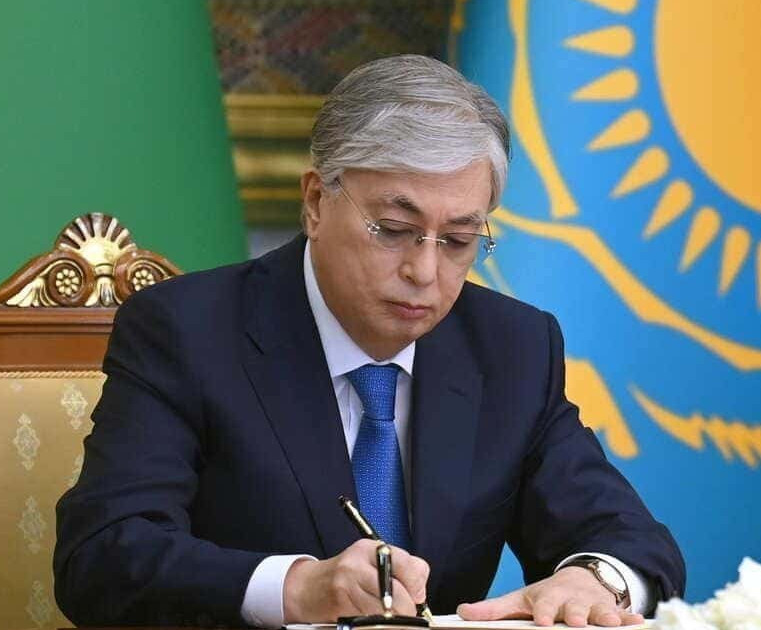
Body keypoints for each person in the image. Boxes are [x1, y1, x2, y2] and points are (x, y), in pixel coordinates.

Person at [54, 54, 684, 628]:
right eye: (394, 229)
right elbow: (102, 556)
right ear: (315, 202)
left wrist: (593, 579)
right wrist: (296, 588)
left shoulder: (512, 347)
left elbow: (630, 539)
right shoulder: (187, 330)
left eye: (458, 240)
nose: (424, 272)